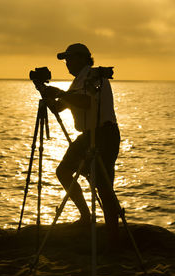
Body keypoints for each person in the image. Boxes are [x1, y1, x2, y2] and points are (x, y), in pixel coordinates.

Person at [38, 43, 120, 243]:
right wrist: (43, 90)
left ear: (83, 58)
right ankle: (86, 215)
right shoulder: (77, 82)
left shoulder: (94, 76)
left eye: (70, 58)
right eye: (66, 60)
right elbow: (59, 108)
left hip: (104, 134)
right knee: (64, 171)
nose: (67, 63)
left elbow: (85, 102)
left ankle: (114, 236)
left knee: (103, 185)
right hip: (87, 135)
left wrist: (60, 93)